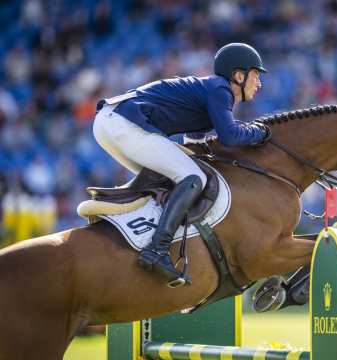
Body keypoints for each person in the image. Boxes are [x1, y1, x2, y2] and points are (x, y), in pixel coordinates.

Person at [92, 43, 271, 287]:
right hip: (123, 122)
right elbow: (230, 136)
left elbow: (197, 143)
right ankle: (157, 250)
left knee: (171, 181)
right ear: (239, 76)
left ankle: (135, 241)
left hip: (110, 122)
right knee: (193, 178)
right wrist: (260, 132)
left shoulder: (213, 93)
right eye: (256, 76)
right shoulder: (221, 89)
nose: (259, 84)